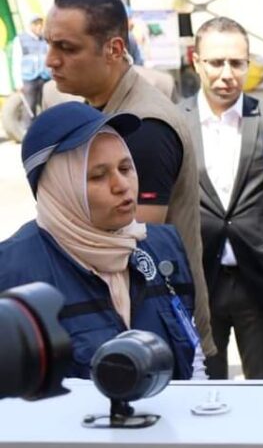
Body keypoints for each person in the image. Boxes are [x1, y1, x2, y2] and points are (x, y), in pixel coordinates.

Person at [44, 0, 215, 361]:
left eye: (67, 48)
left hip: (157, 338)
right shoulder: (100, 107)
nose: (51, 60)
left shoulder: (143, 127)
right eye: (49, 45)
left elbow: (130, 246)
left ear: (114, 49)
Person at [0, 102, 204, 380]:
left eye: (125, 168)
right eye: (98, 176)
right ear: (59, 187)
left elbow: (193, 359)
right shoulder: (14, 273)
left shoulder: (161, 246)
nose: (122, 185)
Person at [179, 17, 263, 380]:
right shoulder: (174, 122)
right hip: (198, 282)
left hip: (260, 281)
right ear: (196, 62)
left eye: (237, 63)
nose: (227, 74)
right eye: (216, 62)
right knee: (202, 389)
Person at [12, 16, 50, 116]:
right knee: (30, 107)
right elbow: (16, 61)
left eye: (40, 24)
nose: (39, 27)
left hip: (44, 77)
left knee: (47, 105)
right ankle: (29, 125)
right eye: (36, 24)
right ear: (30, 26)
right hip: (29, 79)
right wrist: (18, 83)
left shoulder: (44, 39)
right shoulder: (20, 39)